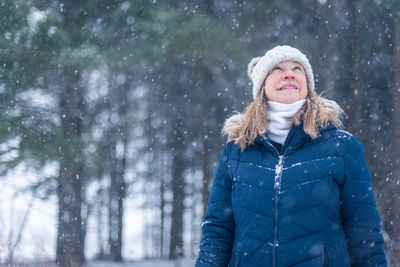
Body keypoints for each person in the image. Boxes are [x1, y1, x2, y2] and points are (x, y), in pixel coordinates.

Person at [195, 45, 387, 266]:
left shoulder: (342, 147)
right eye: (277, 69)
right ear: (262, 86)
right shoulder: (237, 150)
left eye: (298, 68)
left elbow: (364, 233)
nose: (289, 73)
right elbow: (217, 231)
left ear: (308, 85)